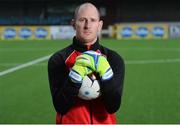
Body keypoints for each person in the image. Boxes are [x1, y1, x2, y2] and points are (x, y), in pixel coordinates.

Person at [48, 2, 125, 124]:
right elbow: (60, 107)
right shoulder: (59, 60)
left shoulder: (113, 59)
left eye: (93, 20)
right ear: (73, 24)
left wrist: (107, 75)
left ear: (100, 25)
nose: (87, 25)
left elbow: (113, 107)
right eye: (82, 20)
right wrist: (74, 78)